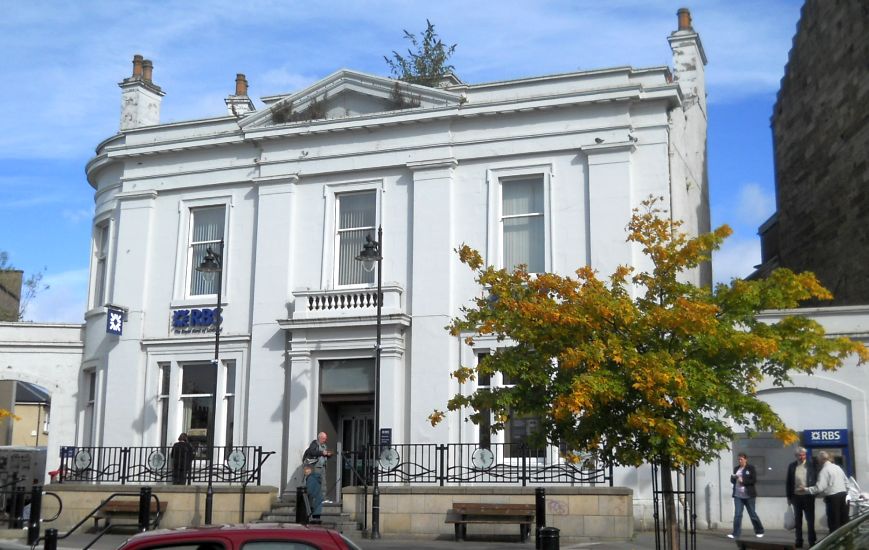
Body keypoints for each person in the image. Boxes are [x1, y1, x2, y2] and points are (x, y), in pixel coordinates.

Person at [801, 450, 849, 534]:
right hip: (843, 496)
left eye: (818, 459)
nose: (818, 461)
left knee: (834, 523)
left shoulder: (824, 471)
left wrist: (805, 489)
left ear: (822, 459)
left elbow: (819, 488)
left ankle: (835, 544)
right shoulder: (838, 468)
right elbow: (847, 483)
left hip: (833, 499)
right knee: (844, 523)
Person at [786, 447, 818, 548]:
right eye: (799, 455)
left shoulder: (811, 465)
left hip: (808, 496)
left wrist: (814, 492)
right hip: (796, 497)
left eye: (803, 455)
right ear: (796, 456)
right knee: (798, 521)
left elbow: (816, 479)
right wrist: (789, 497)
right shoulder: (792, 466)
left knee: (810, 520)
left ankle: (812, 541)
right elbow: (788, 482)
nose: (801, 457)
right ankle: (799, 540)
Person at [728, 452, 765, 539]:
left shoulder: (750, 468)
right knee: (737, 514)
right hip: (738, 495)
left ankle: (759, 530)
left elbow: (754, 480)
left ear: (745, 459)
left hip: (749, 495)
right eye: (739, 459)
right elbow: (733, 482)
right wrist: (733, 478)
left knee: (752, 514)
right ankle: (736, 533)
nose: (740, 461)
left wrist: (743, 481)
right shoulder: (736, 468)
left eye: (741, 459)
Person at [302, 432, 333, 513]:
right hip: (315, 466)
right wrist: (322, 453)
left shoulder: (324, 446)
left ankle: (323, 498)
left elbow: (323, 455)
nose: (325, 440)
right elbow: (311, 452)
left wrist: (328, 455)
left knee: (323, 482)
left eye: (325, 438)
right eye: (323, 438)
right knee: (317, 482)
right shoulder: (314, 444)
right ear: (319, 438)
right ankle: (316, 499)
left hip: (322, 466)